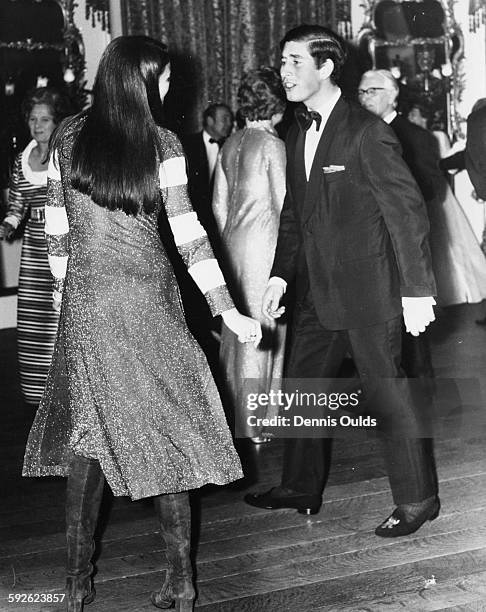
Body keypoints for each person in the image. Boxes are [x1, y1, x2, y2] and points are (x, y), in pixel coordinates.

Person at [21, 36, 261, 612]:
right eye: (165, 78)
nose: (171, 87)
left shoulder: (69, 136)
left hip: (89, 303)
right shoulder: (163, 142)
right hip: (149, 300)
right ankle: (181, 582)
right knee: (166, 433)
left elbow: (57, 227)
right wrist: (226, 308)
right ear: (141, 81)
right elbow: (189, 234)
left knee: (88, 440)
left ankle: (77, 585)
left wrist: (64, 297)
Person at [244, 25, 439, 538]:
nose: (283, 73)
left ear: (325, 67)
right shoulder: (293, 131)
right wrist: (281, 277)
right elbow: (295, 215)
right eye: (282, 62)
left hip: (371, 292)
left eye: (293, 62)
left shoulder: (365, 130)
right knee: (303, 388)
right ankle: (300, 486)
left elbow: (408, 212)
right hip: (316, 294)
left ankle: (418, 500)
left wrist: (417, 290)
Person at [212, 67, 287, 444]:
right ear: (278, 105)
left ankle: (236, 416)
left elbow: (218, 206)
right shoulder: (274, 145)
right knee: (265, 326)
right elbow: (284, 205)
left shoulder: (230, 144)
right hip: (266, 242)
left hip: (232, 244)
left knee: (236, 329)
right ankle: (258, 423)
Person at [0, 87, 70, 407]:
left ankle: (68, 391)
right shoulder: (22, 159)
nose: (37, 125)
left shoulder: (67, 155)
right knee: (35, 321)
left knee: (62, 318)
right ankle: (39, 394)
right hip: (33, 254)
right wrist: (10, 223)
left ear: (57, 123)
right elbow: (17, 205)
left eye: (44, 119)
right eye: (33, 118)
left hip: (64, 246)